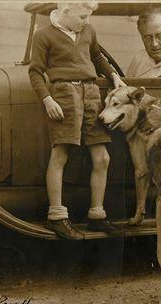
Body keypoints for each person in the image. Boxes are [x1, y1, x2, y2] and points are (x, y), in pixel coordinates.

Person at [28, 2, 126, 239]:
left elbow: (97, 56)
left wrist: (113, 76)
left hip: (91, 94)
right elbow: (35, 72)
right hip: (64, 95)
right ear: (65, 11)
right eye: (82, 16)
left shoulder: (88, 31)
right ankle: (57, 217)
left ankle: (97, 215)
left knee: (102, 157)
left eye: (88, 16)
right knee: (61, 154)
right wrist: (48, 99)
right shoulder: (43, 36)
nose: (86, 21)